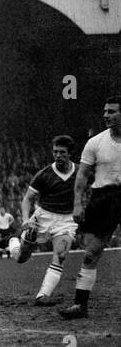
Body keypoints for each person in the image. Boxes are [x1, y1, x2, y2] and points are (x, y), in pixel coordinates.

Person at [61, 100, 121, 320]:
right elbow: (83, 176)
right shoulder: (95, 142)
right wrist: (77, 203)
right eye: (104, 111)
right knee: (90, 253)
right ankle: (80, 305)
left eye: (112, 112)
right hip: (103, 198)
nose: (106, 115)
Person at [15, 136, 80, 305]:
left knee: (61, 253)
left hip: (67, 219)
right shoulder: (43, 175)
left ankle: (43, 295)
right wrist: (25, 220)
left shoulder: (80, 172)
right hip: (43, 217)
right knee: (22, 256)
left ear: (70, 153)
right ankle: (14, 243)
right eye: (55, 152)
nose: (58, 155)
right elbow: (27, 199)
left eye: (62, 152)